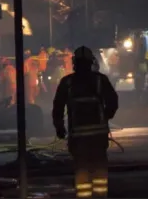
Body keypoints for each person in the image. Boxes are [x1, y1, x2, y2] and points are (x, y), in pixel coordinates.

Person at [52, 46, 119, 198]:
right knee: (99, 167)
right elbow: (113, 101)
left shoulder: (67, 82)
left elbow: (58, 107)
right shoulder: (100, 80)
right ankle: (100, 196)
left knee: (81, 168)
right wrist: (106, 115)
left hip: (78, 136)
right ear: (91, 62)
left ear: (75, 63)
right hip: (98, 136)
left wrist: (60, 127)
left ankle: (84, 196)